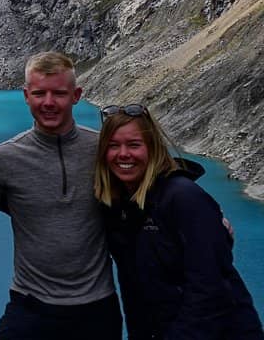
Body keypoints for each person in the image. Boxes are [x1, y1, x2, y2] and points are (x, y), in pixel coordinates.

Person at [0, 51, 121, 340]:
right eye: (39, 93)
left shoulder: (103, 150)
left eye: (58, 93)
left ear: (76, 95)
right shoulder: (5, 157)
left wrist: (206, 217)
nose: (48, 102)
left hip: (96, 307)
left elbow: (151, 191)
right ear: (26, 95)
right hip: (30, 306)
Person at [95, 104, 264, 340]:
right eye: (113, 146)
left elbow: (209, 288)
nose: (123, 154)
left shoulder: (184, 198)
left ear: (153, 149)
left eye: (134, 145)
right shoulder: (118, 206)